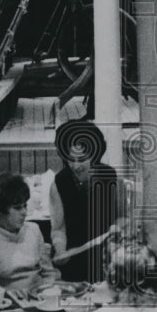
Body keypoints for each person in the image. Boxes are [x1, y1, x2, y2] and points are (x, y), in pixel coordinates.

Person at [49, 119, 119, 284]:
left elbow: (121, 218)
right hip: (73, 262)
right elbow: (58, 228)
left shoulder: (110, 177)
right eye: (70, 159)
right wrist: (60, 250)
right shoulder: (59, 183)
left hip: (108, 258)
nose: (75, 166)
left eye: (82, 159)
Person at [0, 171, 57, 292]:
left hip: (41, 297)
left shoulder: (33, 229)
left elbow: (48, 273)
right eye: (17, 208)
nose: (24, 212)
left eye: (25, 205)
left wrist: (50, 291)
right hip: (8, 305)